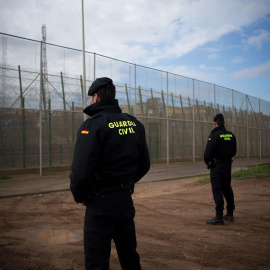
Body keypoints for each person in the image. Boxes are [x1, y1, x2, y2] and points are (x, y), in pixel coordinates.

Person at [70, 77, 150, 270]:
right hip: (124, 201)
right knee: (129, 256)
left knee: (97, 261)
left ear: (96, 97)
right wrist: (125, 183)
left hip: (100, 204)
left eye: (91, 97)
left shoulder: (93, 125)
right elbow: (144, 164)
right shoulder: (134, 124)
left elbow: (81, 172)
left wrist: (81, 196)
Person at [204, 113, 237, 225]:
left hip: (217, 166)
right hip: (227, 164)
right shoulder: (231, 135)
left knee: (217, 189)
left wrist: (209, 162)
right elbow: (234, 151)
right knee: (227, 188)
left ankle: (219, 216)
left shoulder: (214, 135)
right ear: (224, 123)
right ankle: (230, 213)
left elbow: (208, 153)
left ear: (215, 123)